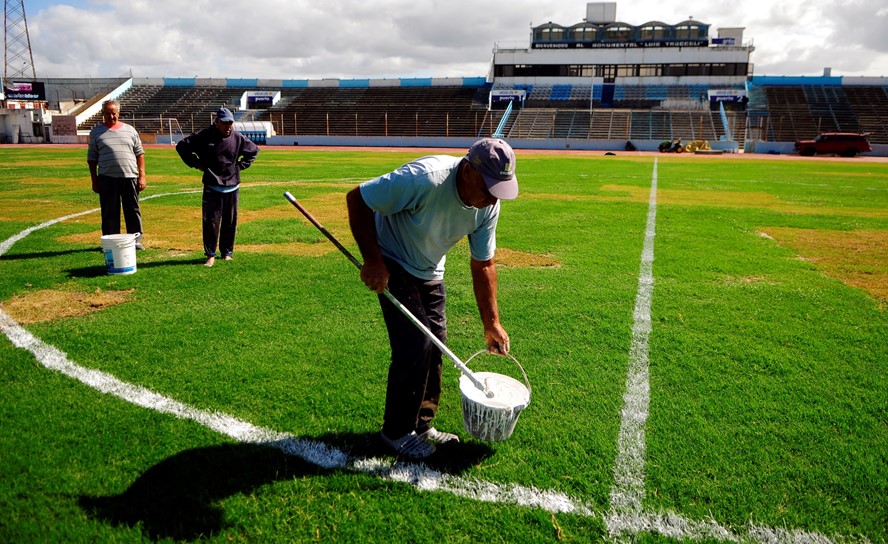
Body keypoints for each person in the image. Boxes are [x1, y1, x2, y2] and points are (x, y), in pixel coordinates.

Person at [346, 138, 518, 459]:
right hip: (393, 256)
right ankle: (395, 433)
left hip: (429, 266)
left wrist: (492, 323)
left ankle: (421, 423)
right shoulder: (425, 178)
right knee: (415, 344)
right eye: (490, 187)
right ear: (468, 171)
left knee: (437, 342)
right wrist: (373, 261)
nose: (494, 198)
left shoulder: (488, 206)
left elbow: (483, 263)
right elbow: (358, 199)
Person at [176, 108, 259, 267]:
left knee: (230, 221)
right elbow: (182, 147)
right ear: (217, 122)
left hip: (232, 186)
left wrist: (240, 166)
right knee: (211, 222)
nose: (228, 126)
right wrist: (196, 163)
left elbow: (253, 151)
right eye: (224, 123)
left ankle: (227, 252)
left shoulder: (237, 137)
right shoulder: (204, 136)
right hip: (212, 186)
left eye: (230, 123)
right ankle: (210, 254)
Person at [87, 99, 146, 249]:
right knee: (109, 211)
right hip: (107, 178)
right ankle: (111, 241)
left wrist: (142, 176)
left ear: (118, 113)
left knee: (132, 210)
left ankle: (135, 240)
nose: (111, 117)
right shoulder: (96, 132)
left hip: (129, 176)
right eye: (108, 114)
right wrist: (94, 180)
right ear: (103, 114)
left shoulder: (130, 130)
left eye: (113, 113)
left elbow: (139, 154)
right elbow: (92, 159)